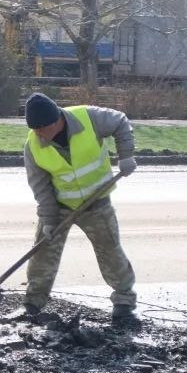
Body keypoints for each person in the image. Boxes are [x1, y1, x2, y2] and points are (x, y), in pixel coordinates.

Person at [16, 92, 139, 327]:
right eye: (34, 130)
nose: (38, 135)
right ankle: (33, 304)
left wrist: (126, 156)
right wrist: (49, 220)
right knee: (43, 253)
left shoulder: (88, 118)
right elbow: (41, 187)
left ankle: (124, 304)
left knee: (110, 251)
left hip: (97, 202)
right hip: (60, 205)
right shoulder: (33, 146)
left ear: (56, 122)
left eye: (41, 129)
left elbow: (121, 121)